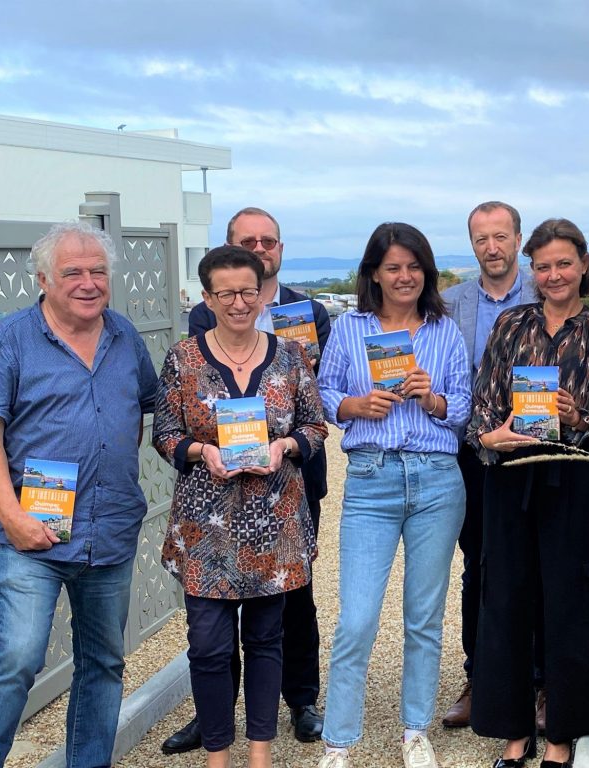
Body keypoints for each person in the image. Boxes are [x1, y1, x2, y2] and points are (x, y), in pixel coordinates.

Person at [0, 221, 158, 768]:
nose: (88, 282)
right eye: (73, 271)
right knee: (16, 659)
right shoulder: (9, 340)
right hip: (34, 535)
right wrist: (12, 515)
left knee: (103, 663)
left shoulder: (125, 336)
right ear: (44, 278)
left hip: (110, 533)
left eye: (98, 270)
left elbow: (139, 412)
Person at [468, 218, 589, 768]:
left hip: (571, 481)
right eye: (543, 266)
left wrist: (576, 415)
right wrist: (492, 436)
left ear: (583, 265)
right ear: (531, 272)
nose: (554, 274)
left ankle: (562, 739)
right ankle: (514, 735)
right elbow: (482, 412)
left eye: (564, 263)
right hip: (510, 479)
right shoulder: (510, 325)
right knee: (507, 604)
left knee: (570, 608)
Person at [162, 207, 331, 754]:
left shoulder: (290, 356)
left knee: (267, 640)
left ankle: (259, 750)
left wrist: (285, 446)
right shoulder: (184, 359)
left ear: (263, 294)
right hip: (206, 528)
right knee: (208, 646)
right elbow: (164, 430)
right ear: (206, 298)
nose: (239, 302)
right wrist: (199, 450)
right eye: (225, 293)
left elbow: (314, 424)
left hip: (273, 523)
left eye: (248, 292)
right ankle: (217, 747)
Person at [315, 222, 470, 768]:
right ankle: (339, 741)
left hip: (436, 479)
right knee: (356, 618)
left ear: (425, 272)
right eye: (392, 267)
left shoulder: (444, 332)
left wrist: (433, 400)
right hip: (371, 477)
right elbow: (324, 390)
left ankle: (414, 730)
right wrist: (355, 406)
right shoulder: (350, 327)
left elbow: (465, 408)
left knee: (423, 617)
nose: (404, 277)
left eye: (413, 266)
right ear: (374, 274)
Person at [439, 201, 542, 730]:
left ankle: (543, 685)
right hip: (473, 456)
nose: (492, 247)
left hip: (537, 454)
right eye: (482, 239)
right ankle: (480, 679)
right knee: (478, 565)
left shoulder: (544, 295)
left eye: (501, 236)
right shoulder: (448, 303)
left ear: (518, 239)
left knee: (541, 567)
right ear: (472, 244)